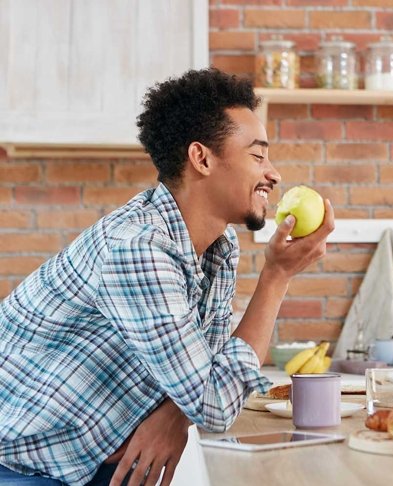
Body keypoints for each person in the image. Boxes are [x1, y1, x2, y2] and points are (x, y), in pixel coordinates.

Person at [0, 68, 335, 485]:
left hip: (99, 462)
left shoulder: (218, 246)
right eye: (257, 155)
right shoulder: (139, 247)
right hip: (24, 468)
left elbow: (204, 375)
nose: (274, 173)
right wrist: (276, 276)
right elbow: (214, 404)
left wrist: (175, 415)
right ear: (202, 158)